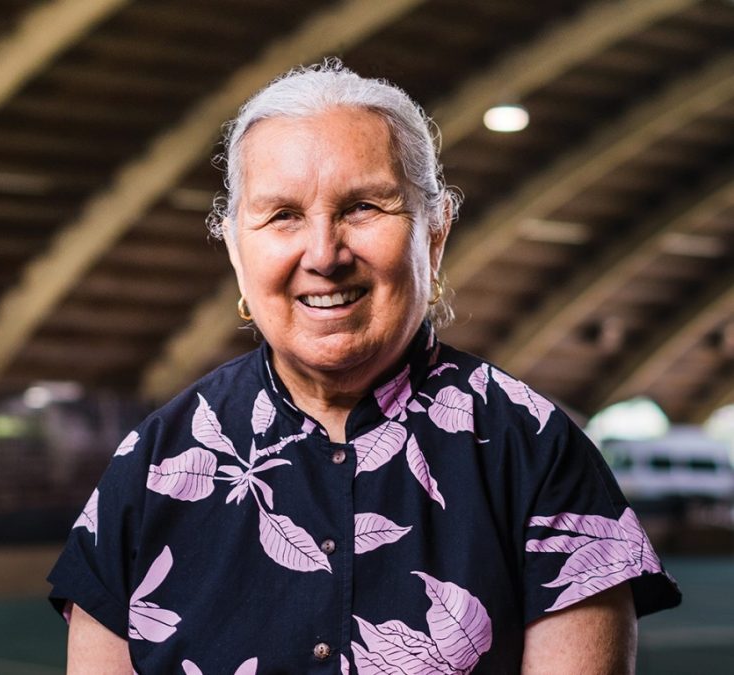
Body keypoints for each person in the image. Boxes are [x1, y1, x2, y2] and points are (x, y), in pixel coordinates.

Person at [48, 60, 680, 674]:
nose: (324, 254)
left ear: (434, 233)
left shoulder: (536, 452)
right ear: (237, 249)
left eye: (363, 208)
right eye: (284, 215)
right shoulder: (151, 468)